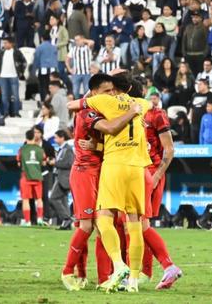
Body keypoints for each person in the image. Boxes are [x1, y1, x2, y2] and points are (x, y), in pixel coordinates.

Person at [67, 70, 151, 293]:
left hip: (114, 165)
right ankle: (133, 281)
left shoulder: (104, 101)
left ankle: (118, 264)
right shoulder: (143, 103)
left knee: (104, 217)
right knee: (133, 223)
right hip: (137, 168)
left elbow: (74, 105)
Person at [141, 91, 182, 289]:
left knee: (135, 222)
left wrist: (156, 176)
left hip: (149, 171)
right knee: (139, 223)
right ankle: (145, 272)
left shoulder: (155, 114)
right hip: (134, 171)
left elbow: (169, 149)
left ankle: (166, 266)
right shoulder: (128, 112)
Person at [17, 129, 46, 227]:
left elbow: (18, 162)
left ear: (26, 138)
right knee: (39, 199)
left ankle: (27, 221)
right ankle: (40, 219)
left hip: (26, 177)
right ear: (34, 137)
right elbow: (44, 162)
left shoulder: (22, 149)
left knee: (25, 199)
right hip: (37, 176)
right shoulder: (40, 149)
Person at [0, 37, 27, 118]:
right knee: (4, 96)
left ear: (11, 44)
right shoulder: (1, 52)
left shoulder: (17, 52)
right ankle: (6, 112)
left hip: (13, 76)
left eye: (6, 43)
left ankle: (16, 112)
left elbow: (24, 62)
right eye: (4, 43)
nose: (4, 45)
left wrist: (20, 72)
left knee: (15, 95)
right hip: (2, 77)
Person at [49, 130, 74, 230]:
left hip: (64, 178)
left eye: (56, 137)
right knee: (63, 201)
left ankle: (67, 218)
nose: (54, 139)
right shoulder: (62, 149)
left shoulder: (68, 149)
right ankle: (66, 224)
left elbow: (69, 163)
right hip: (60, 177)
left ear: (62, 137)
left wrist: (55, 163)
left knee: (53, 199)